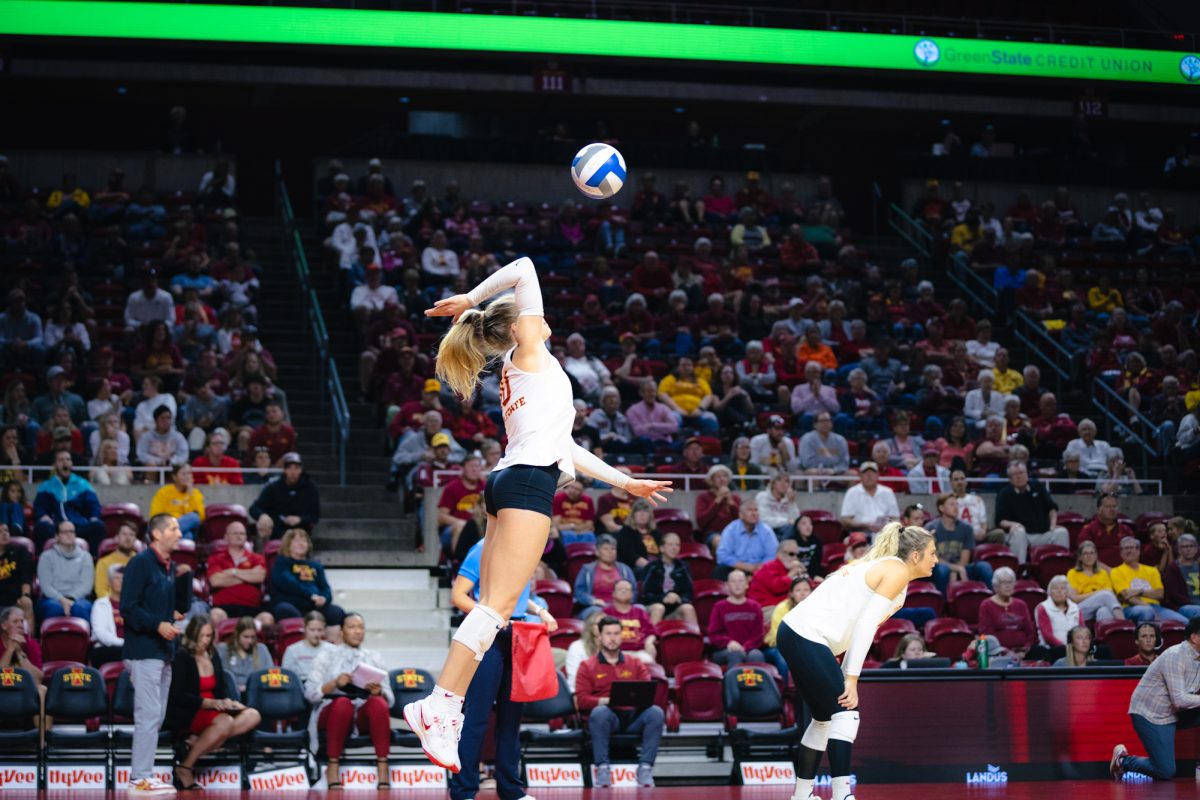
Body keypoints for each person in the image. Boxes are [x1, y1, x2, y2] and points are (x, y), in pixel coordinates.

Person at [401, 257, 671, 772]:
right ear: (519, 325)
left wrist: (624, 482)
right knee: (495, 608)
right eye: (534, 316)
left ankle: (444, 706)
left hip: (511, 479)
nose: (545, 318)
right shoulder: (527, 350)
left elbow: (565, 445)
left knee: (492, 606)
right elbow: (524, 267)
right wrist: (472, 299)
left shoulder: (528, 370)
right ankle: (439, 705)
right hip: (527, 484)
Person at [776, 522, 937, 800]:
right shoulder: (896, 570)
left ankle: (802, 796)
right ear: (915, 556)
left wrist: (844, 671)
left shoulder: (888, 569)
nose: (936, 559)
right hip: (806, 635)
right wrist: (851, 678)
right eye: (932, 553)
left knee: (824, 719)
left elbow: (860, 626)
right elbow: (865, 626)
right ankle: (842, 795)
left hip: (797, 633)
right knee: (847, 712)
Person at [450, 532, 556, 800]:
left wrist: (541, 611)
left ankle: (511, 790)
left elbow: (516, 596)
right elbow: (459, 595)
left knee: (512, 718)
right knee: (476, 717)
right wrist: (490, 618)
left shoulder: (521, 545)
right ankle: (463, 791)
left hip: (518, 633)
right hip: (487, 636)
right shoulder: (482, 548)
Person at [121, 513, 184, 795]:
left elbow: (153, 606)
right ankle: (139, 777)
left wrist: (170, 616)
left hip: (163, 650)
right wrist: (157, 624)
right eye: (174, 528)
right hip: (144, 650)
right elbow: (128, 608)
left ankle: (145, 772)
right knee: (147, 714)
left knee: (156, 715)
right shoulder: (141, 563)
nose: (180, 533)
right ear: (157, 534)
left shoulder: (168, 567)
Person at [166, 614, 261, 791]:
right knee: (225, 721)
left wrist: (229, 702)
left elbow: (221, 687)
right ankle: (185, 767)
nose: (205, 640)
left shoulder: (213, 653)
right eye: (201, 636)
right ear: (192, 634)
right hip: (191, 710)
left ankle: (199, 741)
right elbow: (177, 696)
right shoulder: (182, 656)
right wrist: (209, 703)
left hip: (215, 708)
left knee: (253, 715)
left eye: (208, 636)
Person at [305, 613, 395, 789]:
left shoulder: (374, 657)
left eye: (361, 628)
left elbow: (390, 699)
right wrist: (334, 684)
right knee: (343, 703)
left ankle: (383, 766)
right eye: (352, 627)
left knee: (378, 703)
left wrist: (379, 692)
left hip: (361, 714)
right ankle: (332, 766)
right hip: (332, 712)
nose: (357, 632)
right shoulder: (326, 655)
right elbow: (310, 693)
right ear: (341, 631)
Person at [575, 615, 664, 788]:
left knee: (656, 713)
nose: (612, 638)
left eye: (616, 633)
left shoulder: (635, 663)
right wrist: (607, 700)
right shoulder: (587, 666)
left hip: (634, 717)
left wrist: (636, 700)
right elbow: (582, 700)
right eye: (608, 634)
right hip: (608, 717)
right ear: (599, 637)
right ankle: (602, 768)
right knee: (600, 712)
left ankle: (645, 767)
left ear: (621, 636)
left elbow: (647, 692)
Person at [1109, 618, 1200, 782]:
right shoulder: (1176, 655)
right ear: (1195, 637)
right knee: (1165, 771)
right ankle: (1123, 760)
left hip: (1173, 712)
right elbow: (1179, 699)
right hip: (1150, 714)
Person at [269, 528, 347, 634]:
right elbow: (288, 582)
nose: (301, 544)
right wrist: (310, 595)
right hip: (291, 604)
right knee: (284, 609)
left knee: (337, 612)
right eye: (296, 541)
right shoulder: (281, 563)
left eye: (304, 540)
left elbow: (325, 588)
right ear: (288, 545)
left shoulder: (316, 566)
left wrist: (324, 598)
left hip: (314, 606)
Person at [993, 461, 1069, 563]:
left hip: (1043, 532)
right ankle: (1019, 570)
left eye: (1021, 473)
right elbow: (1000, 520)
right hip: (1022, 534)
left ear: (1027, 474)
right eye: (1014, 475)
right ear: (1010, 479)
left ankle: (1061, 569)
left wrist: (1053, 525)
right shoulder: (1004, 494)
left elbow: (1052, 508)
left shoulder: (1038, 486)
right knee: (1018, 533)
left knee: (1061, 532)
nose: (1019, 476)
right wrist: (1013, 524)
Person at [32, 450, 105, 550]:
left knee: (98, 526)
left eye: (68, 459)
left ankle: (92, 560)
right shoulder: (46, 486)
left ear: (71, 464)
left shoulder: (83, 484)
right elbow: (39, 507)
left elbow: (94, 506)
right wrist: (43, 516)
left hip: (78, 526)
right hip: (56, 527)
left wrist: (93, 517)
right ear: (55, 465)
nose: (65, 462)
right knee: (41, 528)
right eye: (61, 460)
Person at [206, 521, 274, 626]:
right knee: (214, 616)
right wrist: (248, 576)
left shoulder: (256, 558)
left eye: (242, 534)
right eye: (235, 533)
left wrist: (233, 572)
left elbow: (259, 577)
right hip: (224, 608)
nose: (239, 536)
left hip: (252, 609)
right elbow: (216, 581)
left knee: (267, 619)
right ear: (226, 537)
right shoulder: (216, 558)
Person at [1111, 536, 1188, 624]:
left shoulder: (1152, 570)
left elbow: (1160, 593)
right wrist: (1147, 604)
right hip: (1131, 608)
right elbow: (1127, 596)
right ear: (1121, 553)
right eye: (1125, 548)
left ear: (1138, 551)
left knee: (1184, 622)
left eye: (1131, 548)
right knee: (1147, 612)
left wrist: (1140, 592)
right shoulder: (1116, 571)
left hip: (1156, 607)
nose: (1128, 551)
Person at [928, 494, 993, 593]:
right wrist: (955, 569)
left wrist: (957, 569)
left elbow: (965, 559)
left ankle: (988, 602)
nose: (956, 507)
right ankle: (944, 605)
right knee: (942, 570)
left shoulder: (966, 528)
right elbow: (934, 559)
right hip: (938, 569)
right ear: (941, 508)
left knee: (984, 567)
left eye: (957, 504)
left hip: (961, 567)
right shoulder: (931, 528)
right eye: (952, 504)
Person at [249, 452, 320, 539]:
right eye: (289, 468)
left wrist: (300, 519)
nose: (293, 472)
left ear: (301, 469)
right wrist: (263, 515)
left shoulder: (310, 488)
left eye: (296, 468)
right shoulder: (274, 487)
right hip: (277, 531)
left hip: (300, 532)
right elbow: (254, 508)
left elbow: (315, 515)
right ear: (284, 470)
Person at [36, 520, 94, 622]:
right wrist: (62, 600)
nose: (69, 535)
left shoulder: (85, 556)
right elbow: (46, 586)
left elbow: (86, 586)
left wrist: (71, 600)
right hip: (52, 599)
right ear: (57, 536)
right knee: (54, 608)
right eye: (64, 532)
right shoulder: (46, 556)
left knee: (79, 608)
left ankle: (85, 638)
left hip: (78, 599)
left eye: (71, 532)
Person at [708, 569, 765, 667]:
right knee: (735, 654)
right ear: (727, 585)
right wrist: (729, 642)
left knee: (756, 655)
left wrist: (745, 647)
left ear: (747, 585)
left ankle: (757, 682)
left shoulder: (755, 607)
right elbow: (713, 634)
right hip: (725, 650)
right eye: (733, 581)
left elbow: (759, 635)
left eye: (740, 581)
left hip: (749, 649)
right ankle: (734, 682)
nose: (737, 584)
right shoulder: (719, 607)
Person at [978, 567, 1038, 659]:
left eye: (1010, 582)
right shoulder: (986, 605)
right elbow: (988, 636)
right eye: (1003, 583)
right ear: (995, 586)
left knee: (1041, 651)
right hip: (998, 652)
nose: (1008, 586)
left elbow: (1030, 633)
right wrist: (1005, 652)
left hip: (1023, 652)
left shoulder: (1021, 604)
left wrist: (1025, 649)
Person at [574, 534, 637, 621]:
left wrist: (624, 601)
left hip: (622, 605)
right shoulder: (587, 570)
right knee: (596, 612)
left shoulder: (625, 569)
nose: (610, 552)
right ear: (597, 552)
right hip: (597, 606)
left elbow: (633, 590)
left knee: (640, 609)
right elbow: (579, 592)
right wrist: (592, 601)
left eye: (613, 549)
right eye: (606, 549)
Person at [640, 532, 697, 625]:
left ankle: (695, 638)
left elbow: (689, 592)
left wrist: (679, 599)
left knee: (688, 608)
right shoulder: (652, 567)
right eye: (670, 544)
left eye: (677, 545)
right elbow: (646, 594)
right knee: (659, 608)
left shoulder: (683, 567)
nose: (674, 548)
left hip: (674, 610)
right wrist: (663, 598)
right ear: (662, 548)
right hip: (654, 607)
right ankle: (652, 638)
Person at [762, 576, 812, 679]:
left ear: (811, 592)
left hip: (804, 646)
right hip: (777, 647)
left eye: (806, 590)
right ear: (792, 594)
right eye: (798, 590)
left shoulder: (816, 608)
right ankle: (782, 691)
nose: (802, 593)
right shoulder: (782, 608)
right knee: (783, 657)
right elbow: (779, 637)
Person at [715, 499, 778, 579]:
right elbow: (722, 555)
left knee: (774, 569)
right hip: (736, 567)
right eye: (750, 510)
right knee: (720, 570)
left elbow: (772, 554)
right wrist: (745, 566)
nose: (754, 513)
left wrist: (760, 567)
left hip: (761, 568)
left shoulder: (766, 530)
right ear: (741, 515)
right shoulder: (731, 530)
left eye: (756, 510)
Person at [1066, 541, 1125, 623]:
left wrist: (1100, 594)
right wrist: (1099, 593)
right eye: (1085, 553)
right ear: (1080, 557)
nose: (1089, 556)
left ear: (1096, 556)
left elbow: (1110, 593)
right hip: (1081, 609)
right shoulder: (1073, 573)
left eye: (1092, 553)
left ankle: (1107, 634)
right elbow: (1075, 598)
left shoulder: (1102, 572)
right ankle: (1123, 623)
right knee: (1105, 595)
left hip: (1100, 605)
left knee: (1104, 611)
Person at [838, 462, 899, 534]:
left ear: (878, 475)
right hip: (860, 533)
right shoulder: (852, 492)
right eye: (865, 473)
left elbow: (896, 518)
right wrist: (865, 525)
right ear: (860, 475)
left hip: (884, 533)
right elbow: (845, 520)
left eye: (872, 473)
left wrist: (886, 526)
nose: (869, 476)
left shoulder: (888, 492)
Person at [149, 464, 206, 540]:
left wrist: (190, 492)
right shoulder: (164, 492)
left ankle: (166, 536)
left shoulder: (195, 493)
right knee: (188, 536)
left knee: (194, 517)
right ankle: (169, 534)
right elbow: (155, 515)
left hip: (188, 527)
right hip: (167, 525)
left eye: (189, 473)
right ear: (174, 477)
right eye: (183, 474)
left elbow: (200, 517)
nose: (187, 477)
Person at [1078, 493, 1134, 570]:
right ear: (1099, 509)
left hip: (1124, 572)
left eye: (1114, 506)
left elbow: (1133, 555)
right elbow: (1084, 555)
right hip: (1097, 571)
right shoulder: (1088, 530)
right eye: (1108, 506)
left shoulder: (1126, 530)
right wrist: (1107, 570)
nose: (1112, 509)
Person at [218, 616, 273, 695]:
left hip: (257, 694)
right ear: (237, 634)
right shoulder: (224, 649)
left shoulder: (261, 649)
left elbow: (270, 674)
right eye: (246, 637)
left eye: (252, 637)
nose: (249, 641)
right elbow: (222, 678)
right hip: (231, 695)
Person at [1035, 575, 1083, 662]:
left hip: (1075, 648)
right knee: (1061, 651)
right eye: (1055, 588)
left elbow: (1082, 630)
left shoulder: (1075, 608)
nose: (1059, 591)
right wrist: (1067, 648)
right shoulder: (1043, 608)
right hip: (1053, 649)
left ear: (1067, 591)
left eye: (1063, 588)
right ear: (1050, 591)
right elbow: (1047, 636)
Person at [749, 540, 807, 610]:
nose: (795, 558)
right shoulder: (769, 567)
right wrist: (791, 574)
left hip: (786, 606)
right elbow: (776, 588)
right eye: (791, 554)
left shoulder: (792, 568)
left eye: (798, 555)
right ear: (779, 554)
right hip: (766, 607)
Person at [281, 610, 333, 684]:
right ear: (305, 628)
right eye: (312, 630)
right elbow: (285, 676)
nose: (316, 634)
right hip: (299, 687)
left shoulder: (332, 650)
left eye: (319, 630)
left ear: (324, 630)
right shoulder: (292, 650)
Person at [90, 563, 126, 666]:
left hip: (130, 648)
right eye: (116, 578)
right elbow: (101, 634)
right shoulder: (100, 604)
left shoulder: (133, 605)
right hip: (106, 648)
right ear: (109, 582)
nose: (121, 581)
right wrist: (125, 643)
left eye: (123, 578)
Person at [615, 499, 661, 574]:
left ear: (650, 515)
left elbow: (662, 551)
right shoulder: (626, 531)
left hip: (655, 567)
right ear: (633, 515)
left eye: (645, 511)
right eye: (638, 511)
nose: (642, 514)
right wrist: (651, 567)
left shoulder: (656, 532)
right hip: (634, 568)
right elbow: (629, 555)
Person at [0, 604, 43, 684]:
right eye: (15, 622)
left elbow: (38, 677)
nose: (20, 625)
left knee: (41, 689)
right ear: (4, 626)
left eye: (22, 621)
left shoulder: (31, 643)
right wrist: (10, 650)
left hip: (24, 686)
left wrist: (19, 653)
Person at [0, 523, 34, 623]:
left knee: (27, 603)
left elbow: (26, 577)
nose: (4, 534)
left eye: (6, 531)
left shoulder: (20, 551)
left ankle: (28, 638)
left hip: (15, 599)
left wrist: (25, 595)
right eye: (0, 532)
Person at [94, 522, 138, 598]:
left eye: (131, 535)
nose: (128, 538)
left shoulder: (141, 561)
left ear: (135, 539)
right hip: (110, 605)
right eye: (124, 534)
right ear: (117, 538)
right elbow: (100, 591)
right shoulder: (103, 562)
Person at [565, 614, 602, 691]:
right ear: (590, 627)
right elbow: (575, 679)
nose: (604, 627)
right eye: (599, 624)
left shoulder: (612, 648)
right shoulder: (577, 647)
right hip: (581, 692)